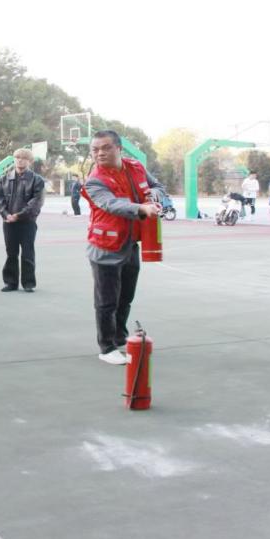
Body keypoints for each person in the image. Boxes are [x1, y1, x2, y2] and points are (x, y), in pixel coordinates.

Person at [81, 130, 163, 366]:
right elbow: (111, 204)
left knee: (125, 297)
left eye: (105, 148)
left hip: (130, 243)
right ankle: (106, 347)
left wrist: (153, 196)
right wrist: (141, 208)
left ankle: (119, 337)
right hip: (105, 247)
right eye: (95, 150)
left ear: (119, 148)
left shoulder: (136, 167)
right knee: (107, 301)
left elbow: (157, 186)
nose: (100, 153)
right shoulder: (95, 180)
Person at [0, 148, 46, 292]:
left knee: (28, 253)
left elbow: (37, 202)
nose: (19, 160)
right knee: (11, 253)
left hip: (28, 222)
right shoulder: (4, 179)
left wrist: (19, 215)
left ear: (30, 161)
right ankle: (10, 282)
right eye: (17, 157)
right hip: (8, 222)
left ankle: (28, 283)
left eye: (23, 158)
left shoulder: (37, 180)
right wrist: (6, 214)